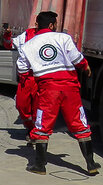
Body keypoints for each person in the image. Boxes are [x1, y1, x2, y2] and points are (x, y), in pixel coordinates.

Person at [16, 11, 98, 175]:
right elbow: (77, 59)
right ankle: (91, 164)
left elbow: (22, 70)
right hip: (70, 88)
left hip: (47, 90)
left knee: (42, 126)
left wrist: (35, 75)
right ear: (52, 25)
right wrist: (86, 66)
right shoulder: (63, 38)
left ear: (38, 25)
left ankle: (40, 166)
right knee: (79, 123)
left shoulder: (27, 46)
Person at [12, 24, 39, 137]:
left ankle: (35, 133)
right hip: (26, 77)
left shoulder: (51, 37)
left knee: (38, 107)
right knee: (21, 104)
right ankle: (30, 126)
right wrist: (7, 35)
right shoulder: (26, 35)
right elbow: (10, 43)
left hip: (41, 77)